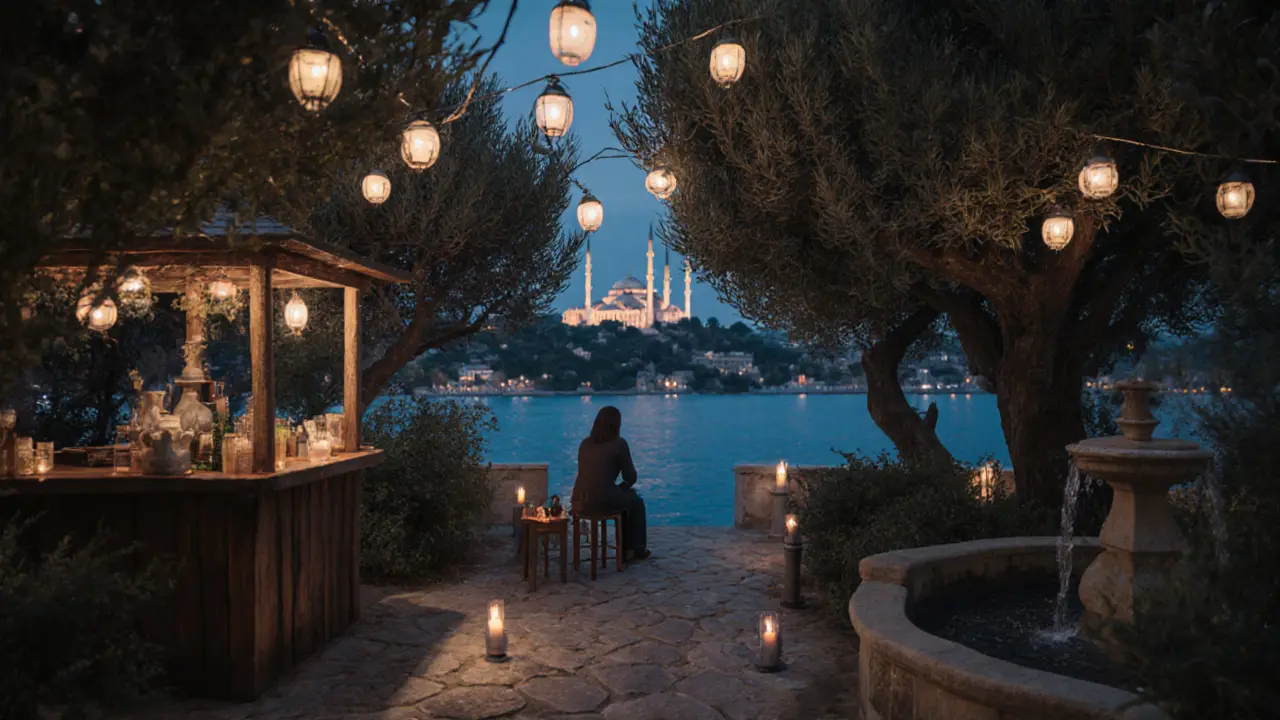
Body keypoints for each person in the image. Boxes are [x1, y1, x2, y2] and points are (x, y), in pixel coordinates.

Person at [571, 405, 650, 561]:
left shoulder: (585, 444)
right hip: (603, 499)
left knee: (625, 499)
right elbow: (631, 476)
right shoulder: (619, 444)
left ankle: (628, 549)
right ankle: (635, 549)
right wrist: (624, 486)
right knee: (636, 502)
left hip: (580, 500)